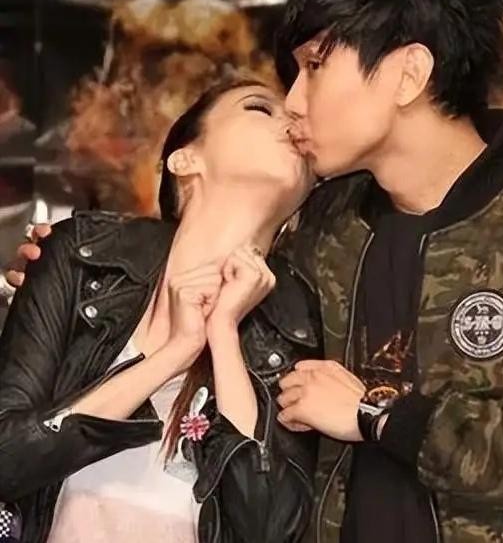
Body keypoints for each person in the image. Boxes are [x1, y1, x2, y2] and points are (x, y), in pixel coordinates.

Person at [9, 0, 503, 543]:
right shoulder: (321, 227)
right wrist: (73, 269)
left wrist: (379, 416)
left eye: (315, 67)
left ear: (409, 74)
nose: (293, 102)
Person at [0, 71, 319, 543]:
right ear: (185, 160)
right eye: (260, 108)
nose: (290, 119)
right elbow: (8, 459)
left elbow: (269, 528)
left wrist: (223, 335)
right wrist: (174, 353)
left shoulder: (299, 320)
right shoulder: (83, 256)